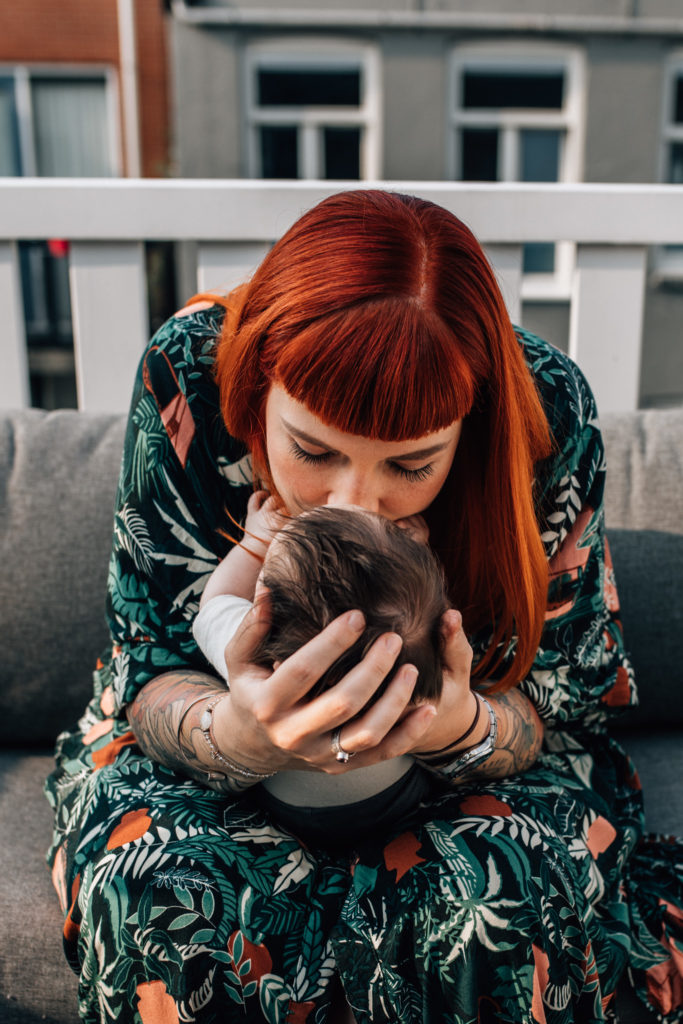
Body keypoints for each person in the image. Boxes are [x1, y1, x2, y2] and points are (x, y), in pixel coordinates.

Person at [45, 189, 683, 1024]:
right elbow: (149, 655)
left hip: (465, 778)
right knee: (161, 895)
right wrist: (236, 736)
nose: (356, 502)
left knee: (499, 906)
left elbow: (564, 699)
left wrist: (460, 729)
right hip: (203, 765)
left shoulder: (545, 412)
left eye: (411, 466)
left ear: (470, 430)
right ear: (255, 388)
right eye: (312, 450)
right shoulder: (188, 376)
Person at [193, 498, 463, 847]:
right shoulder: (417, 654)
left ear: (264, 612)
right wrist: (413, 553)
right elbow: (404, 605)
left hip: (283, 809)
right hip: (400, 798)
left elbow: (217, 600)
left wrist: (254, 544)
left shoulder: (254, 668)